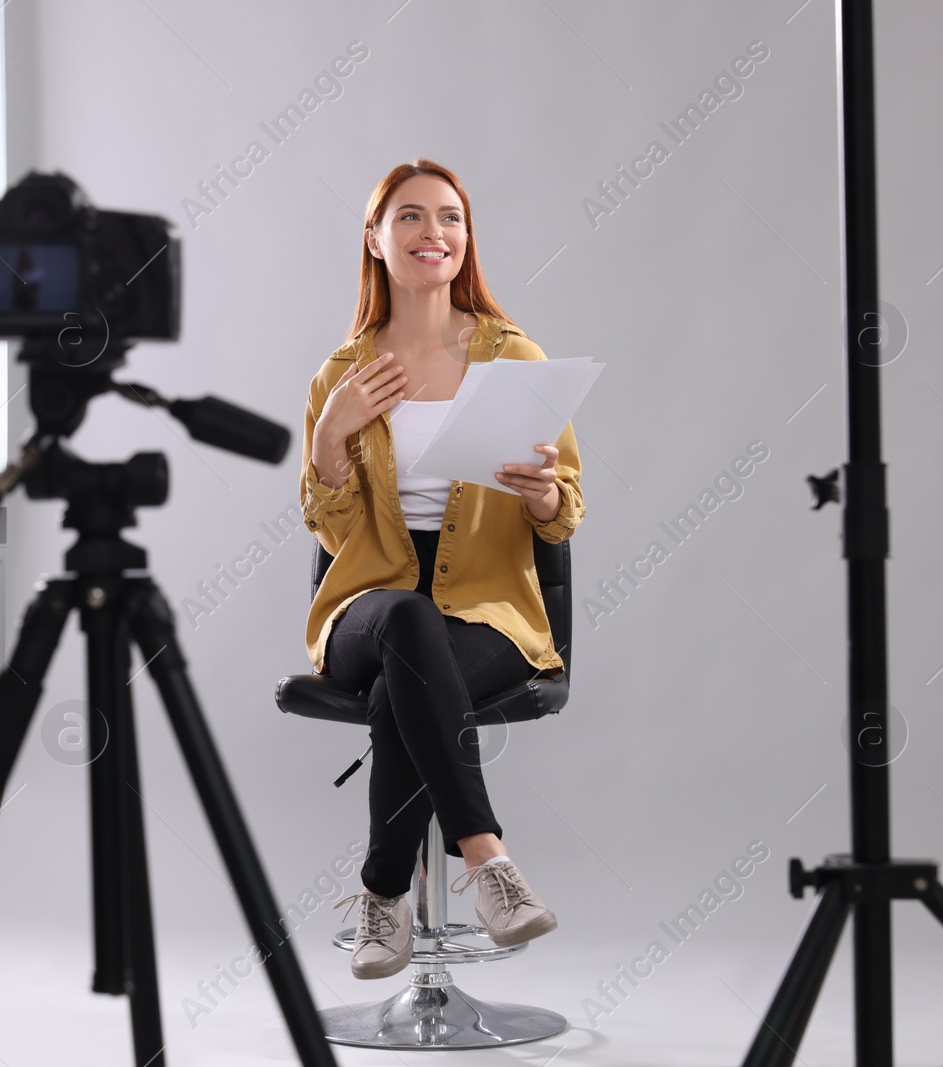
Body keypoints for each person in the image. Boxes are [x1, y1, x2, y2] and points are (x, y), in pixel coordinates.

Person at [298, 159, 586, 980]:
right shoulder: (341, 374)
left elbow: (566, 509)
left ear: (467, 238)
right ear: (376, 238)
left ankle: (381, 891)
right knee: (405, 619)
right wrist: (329, 439)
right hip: (367, 602)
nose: (435, 233)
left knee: (405, 685)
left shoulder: (513, 355)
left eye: (451, 218)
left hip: (488, 607)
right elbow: (329, 528)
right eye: (412, 217)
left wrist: (538, 499)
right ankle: (487, 855)